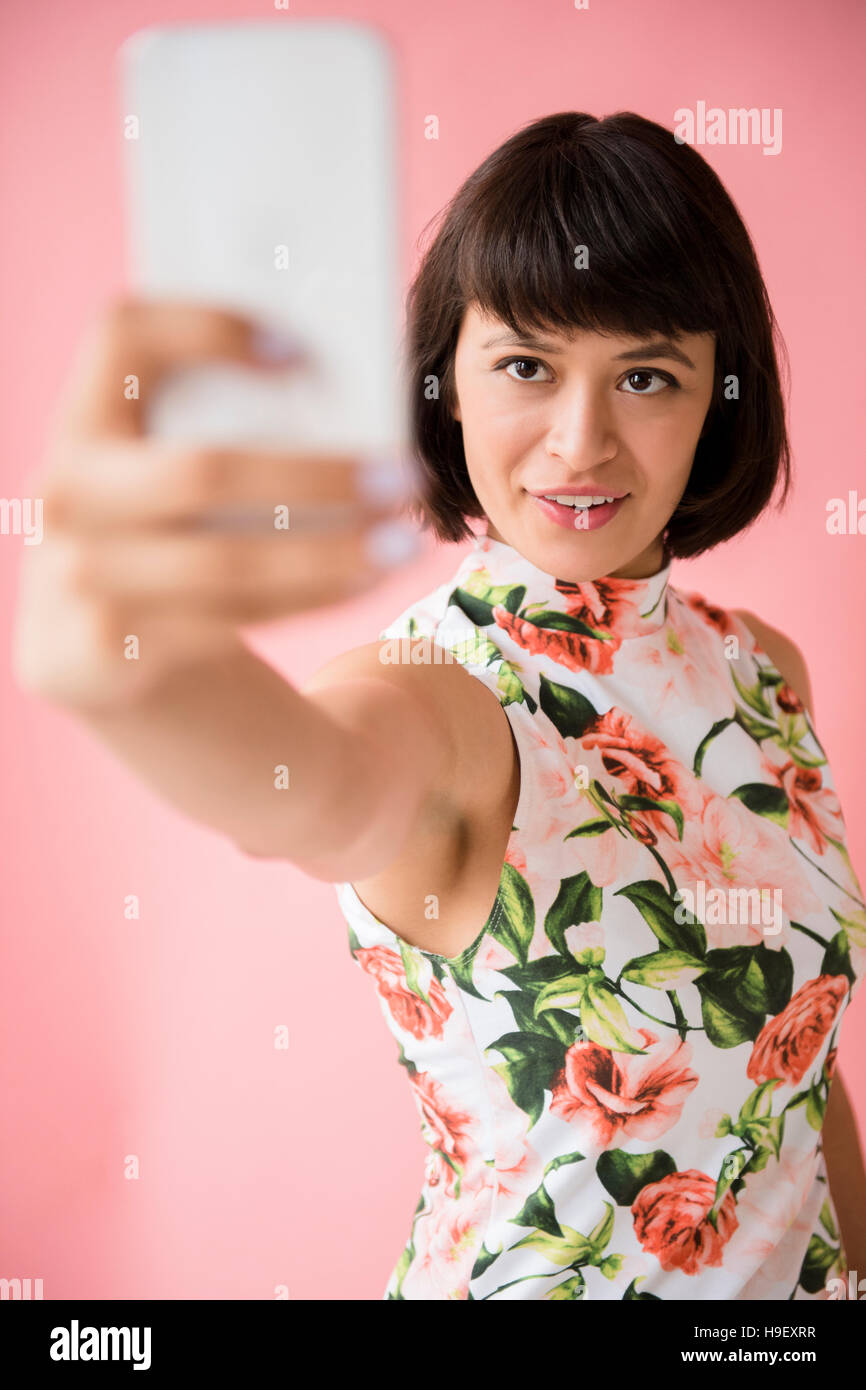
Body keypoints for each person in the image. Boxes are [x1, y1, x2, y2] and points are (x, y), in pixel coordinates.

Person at [13, 110, 866, 1301]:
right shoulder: (442, 695)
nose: (581, 441)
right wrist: (128, 660)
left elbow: (797, 1057)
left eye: (644, 374)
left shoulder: (762, 672)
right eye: (525, 364)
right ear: (446, 384)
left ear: (716, 396)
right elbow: (316, 786)